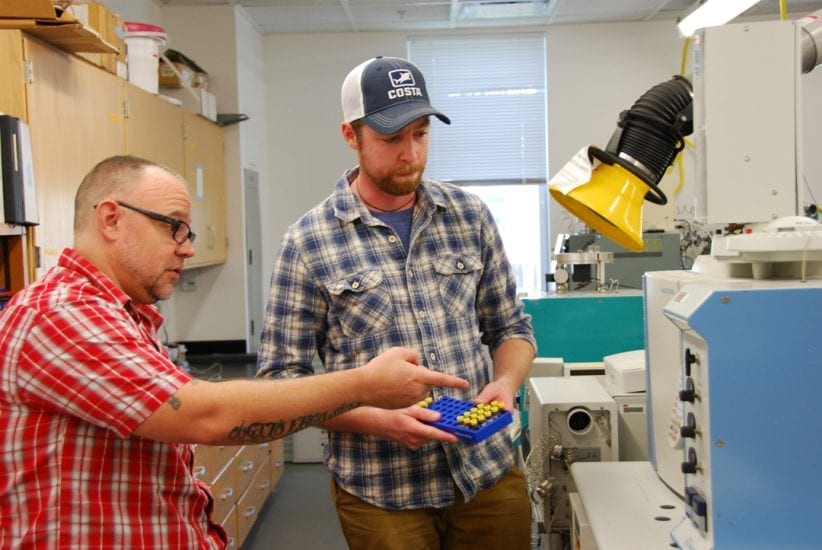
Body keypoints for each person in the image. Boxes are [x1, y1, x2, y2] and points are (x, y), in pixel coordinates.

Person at [0, 154, 469, 549]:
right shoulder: (60, 314)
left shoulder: (122, 315)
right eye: (174, 228)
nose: (185, 249)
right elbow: (208, 418)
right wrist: (365, 384)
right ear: (110, 218)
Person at [257, 56, 537, 549]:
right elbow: (282, 383)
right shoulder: (307, 242)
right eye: (391, 139)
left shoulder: (469, 217)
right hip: (381, 489)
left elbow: (511, 328)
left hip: (487, 472)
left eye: (421, 134)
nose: (410, 153)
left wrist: (505, 384)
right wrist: (378, 421)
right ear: (351, 135)